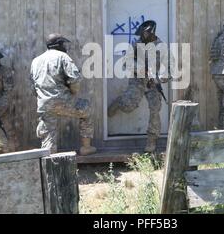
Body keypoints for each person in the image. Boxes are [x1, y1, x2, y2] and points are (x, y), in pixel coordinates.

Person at [108, 20, 170, 153]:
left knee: (155, 109)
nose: (141, 36)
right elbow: (126, 62)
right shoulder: (136, 44)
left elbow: (169, 69)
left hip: (153, 83)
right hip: (138, 80)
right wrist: (142, 69)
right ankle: (120, 102)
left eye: (144, 34)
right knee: (128, 106)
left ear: (151, 32)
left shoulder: (162, 47)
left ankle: (151, 141)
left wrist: (159, 78)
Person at [30, 34, 96, 156]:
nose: (65, 46)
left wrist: (44, 98)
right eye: (63, 44)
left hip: (44, 104)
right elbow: (75, 79)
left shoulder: (36, 61)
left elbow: (33, 87)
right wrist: (73, 92)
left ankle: (48, 158)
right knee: (87, 109)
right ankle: (86, 147)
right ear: (59, 44)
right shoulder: (62, 56)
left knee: (48, 134)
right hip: (63, 101)